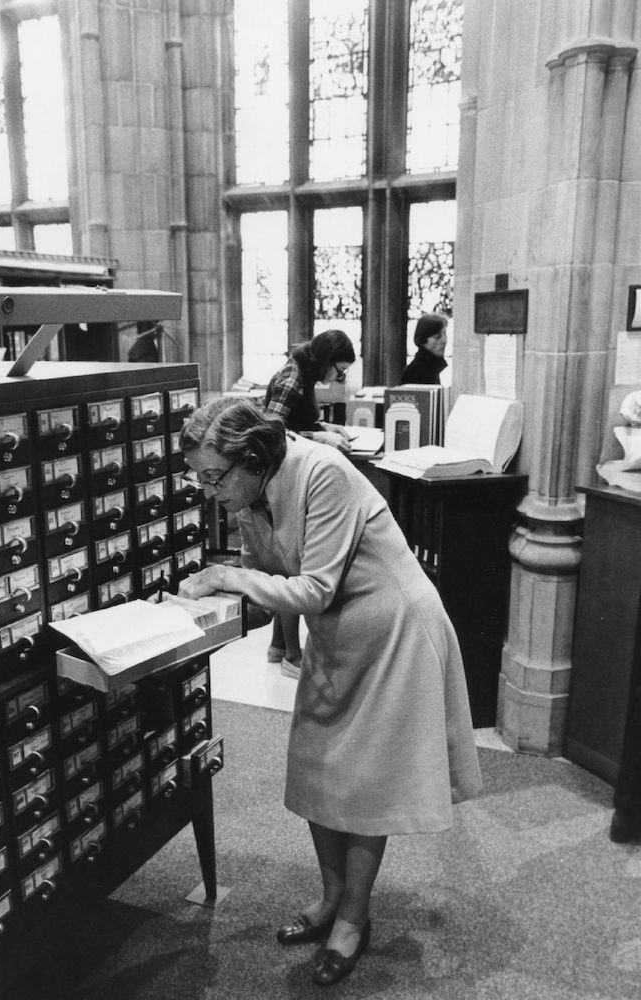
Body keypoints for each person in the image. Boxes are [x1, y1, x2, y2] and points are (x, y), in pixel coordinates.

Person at [177, 397, 482, 988]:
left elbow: (311, 587)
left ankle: (352, 918)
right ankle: (331, 895)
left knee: (367, 782)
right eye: (200, 477)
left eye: (214, 476)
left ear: (255, 457)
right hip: (337, 635)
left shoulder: (324, 472)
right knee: (318, 766)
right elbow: (259, 572)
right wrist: (197, 613)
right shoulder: (249, 493)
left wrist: (223, 578)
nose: (208, 489)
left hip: (394, 631)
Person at [263, 329, 356, 679]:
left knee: (287, 563)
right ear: (327, 360)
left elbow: (298, 420)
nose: (340, 377)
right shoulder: (291, 378)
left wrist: (327, 426)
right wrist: (318, 437)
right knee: (291, 567)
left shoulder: (304, 374)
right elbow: (272, 430)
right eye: (340, 369)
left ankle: (277, 646)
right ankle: (292, 655)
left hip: (295, 472)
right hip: (284, 477)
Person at [398, 311, 448, 385]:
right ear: (423, 340)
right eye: (437, 336)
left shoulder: (432, 367)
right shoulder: (415, 372)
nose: (444, 340)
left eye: (445, 333)